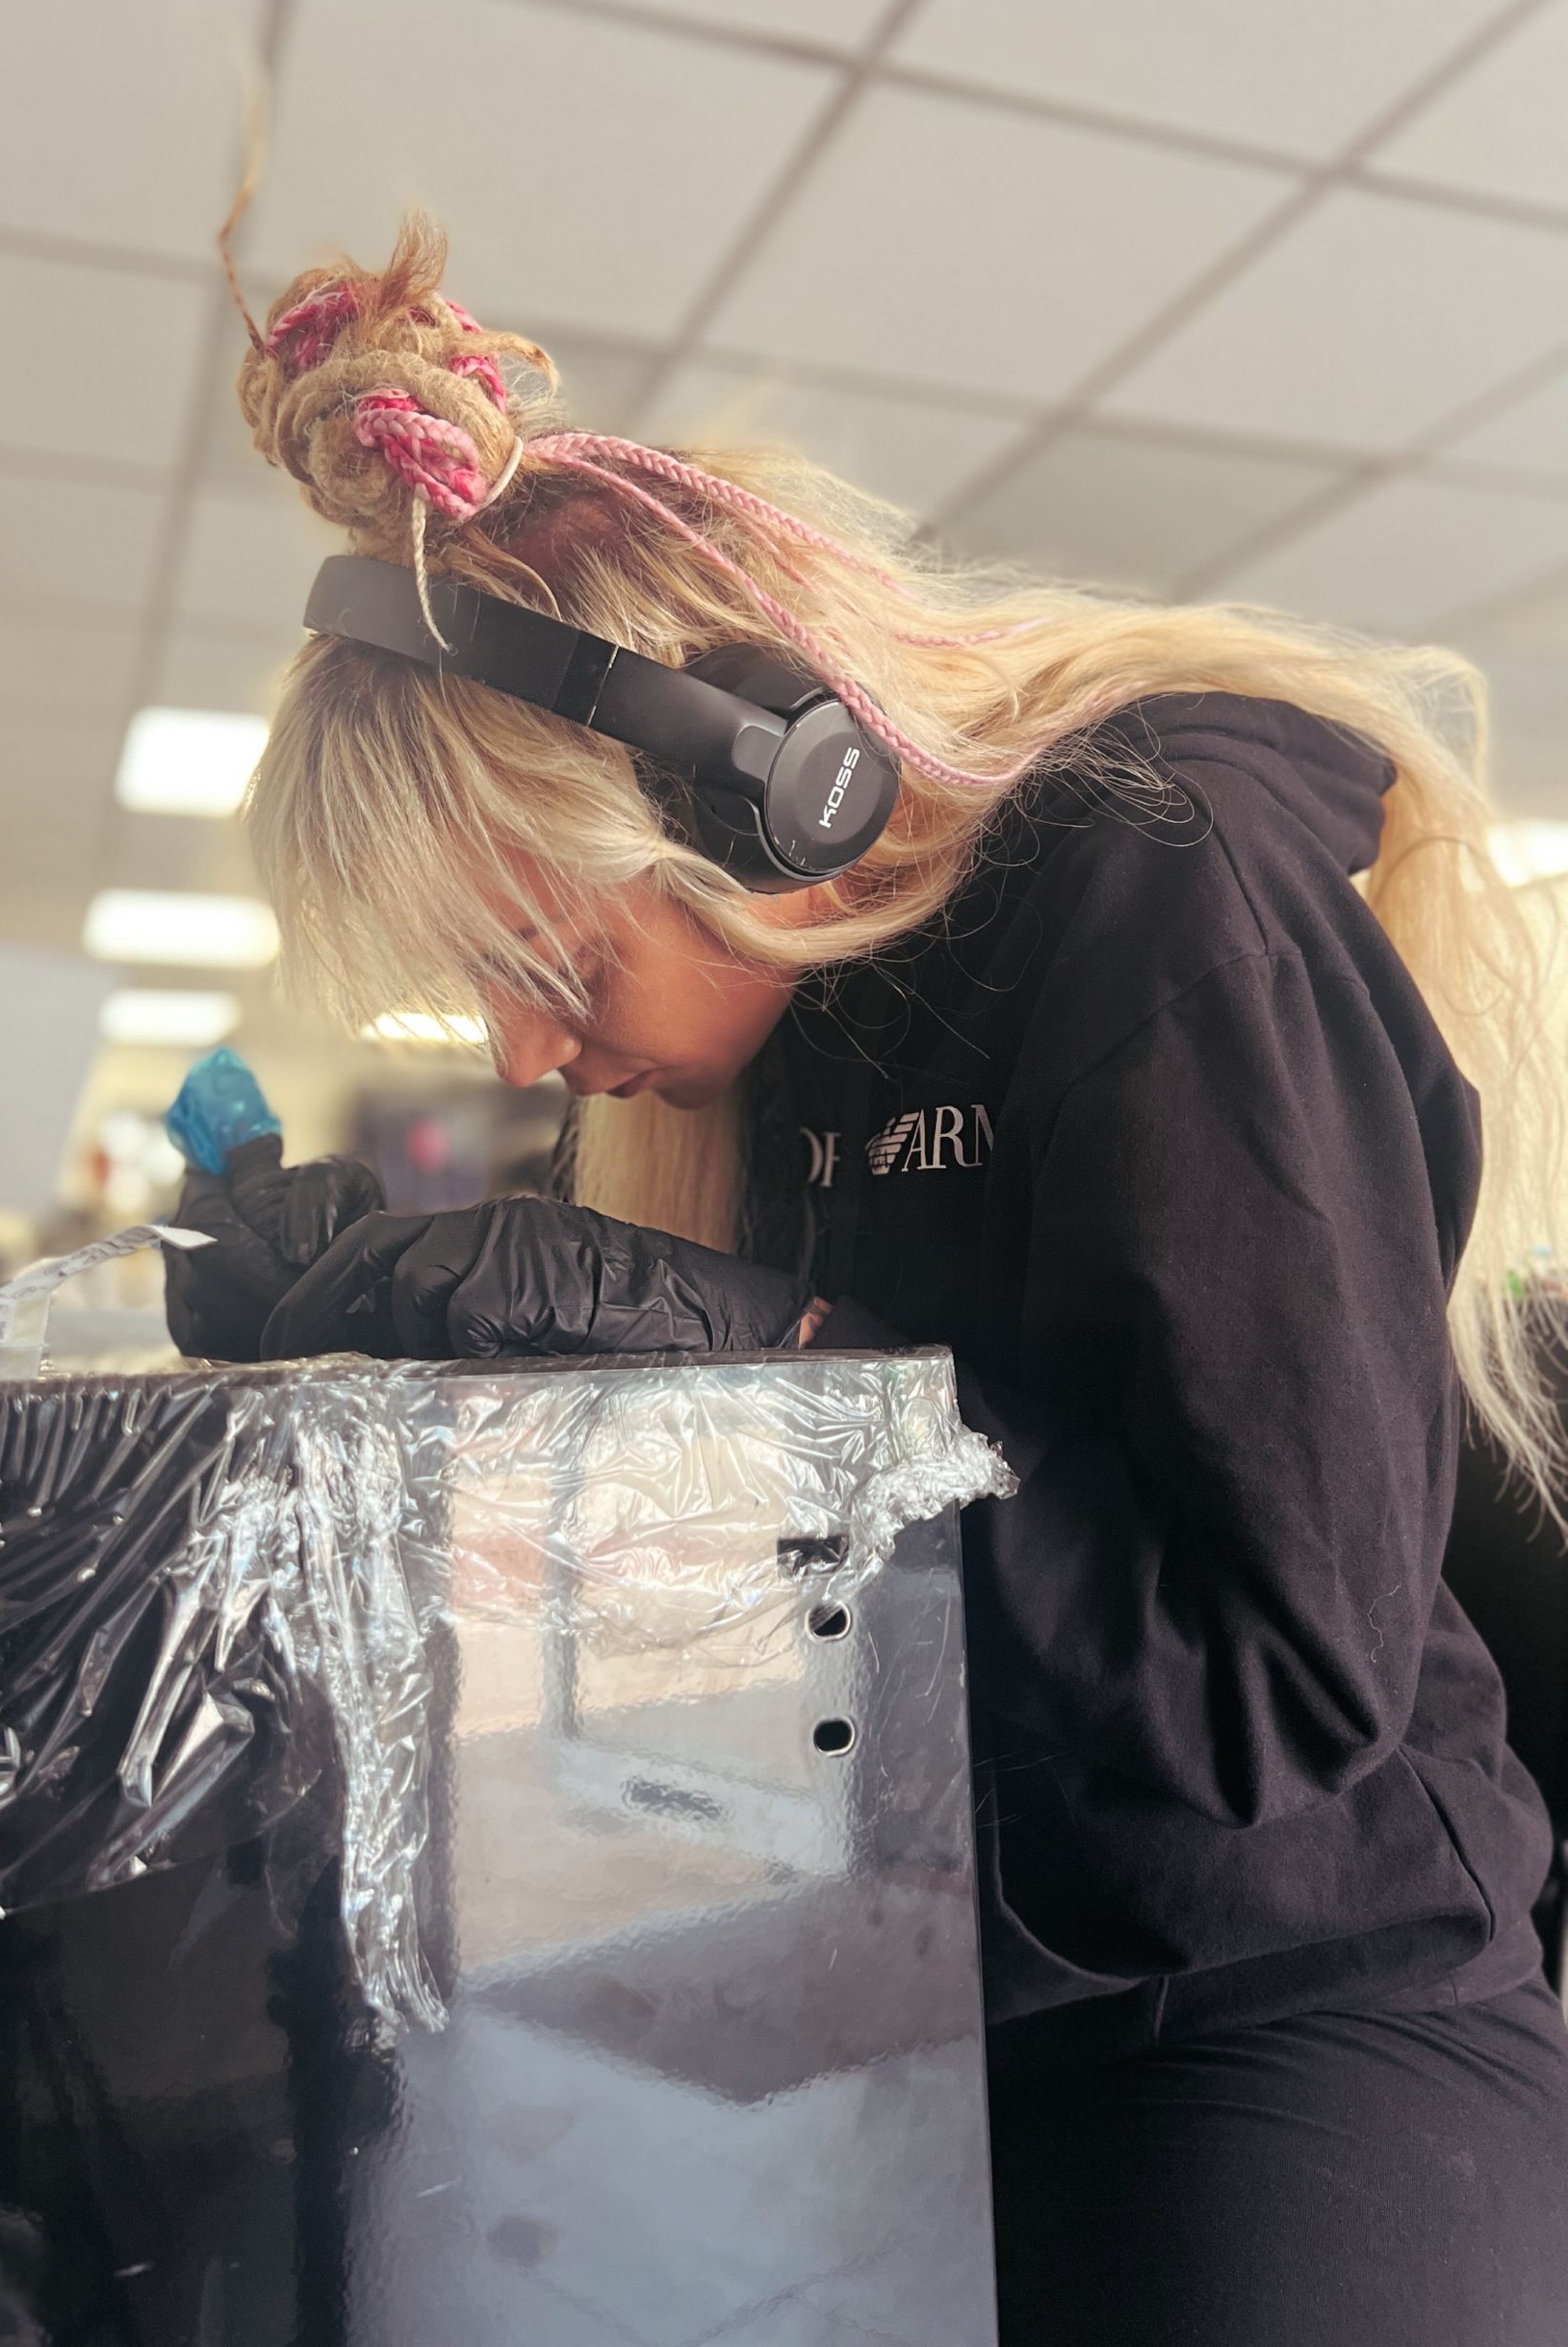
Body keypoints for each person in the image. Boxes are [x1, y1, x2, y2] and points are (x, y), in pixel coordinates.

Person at [167, 216, 1568, 2342]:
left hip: (1290, 1979)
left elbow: (1261, 1690)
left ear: (763, 785)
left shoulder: (1164, 898)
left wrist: (784, 1363)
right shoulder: (760, 1032)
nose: (531, 1051)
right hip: (931, 1965)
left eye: (542, 953)